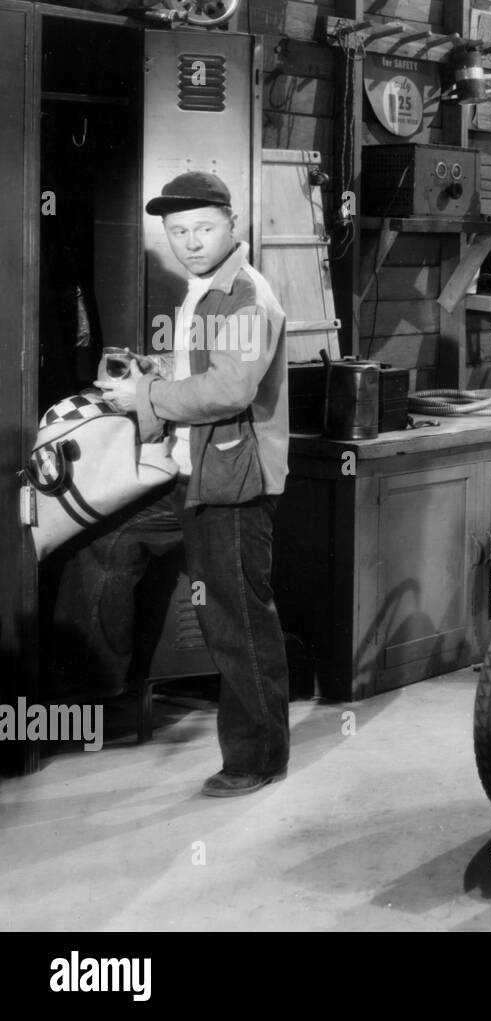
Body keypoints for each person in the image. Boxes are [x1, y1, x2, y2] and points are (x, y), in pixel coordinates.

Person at [56, 171, 292, 797]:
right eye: (178, 231)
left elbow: (230, 388)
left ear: (232, 226)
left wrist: (148, 396)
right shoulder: (201, 290)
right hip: (188, 471)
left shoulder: (245, 294)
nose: (190, 241)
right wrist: (155, 370)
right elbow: (204, 368)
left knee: (236, 619)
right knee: (105, 544)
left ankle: (257, 757)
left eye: (203, 229)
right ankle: (97, 702)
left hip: (233, 481)